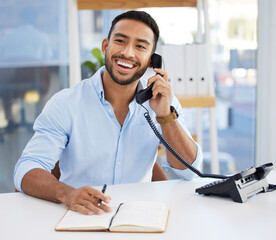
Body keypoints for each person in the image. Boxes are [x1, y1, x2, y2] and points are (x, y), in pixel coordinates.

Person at [14, 10, 202, 215]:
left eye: (140, 46)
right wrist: (66, 193)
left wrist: (165, 117)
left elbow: (188, 172)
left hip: (137, 217)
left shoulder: (163, 102)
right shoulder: (66, 103)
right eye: (120, 41)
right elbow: (26, 168)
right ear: (106, 46)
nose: (128, 53)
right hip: (79, 216)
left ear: (151, 61)